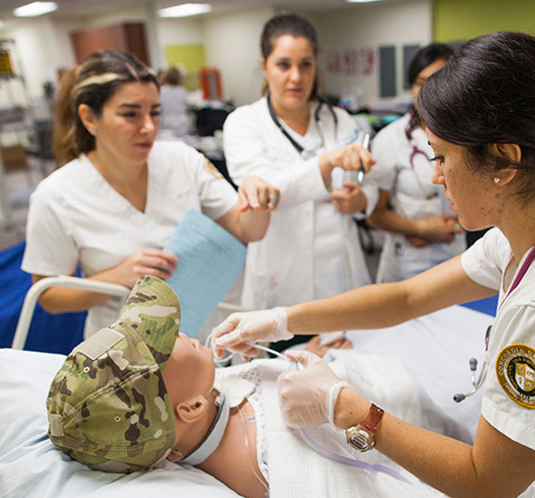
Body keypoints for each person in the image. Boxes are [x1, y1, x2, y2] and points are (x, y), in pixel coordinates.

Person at [213, 32, 535, 498]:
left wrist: (341, 406)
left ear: (504, 161)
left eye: (440, 156)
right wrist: (280, 318)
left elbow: (484, 483)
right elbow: (408, 296)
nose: (435, 176)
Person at [46, 275, 500, 498]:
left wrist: (307, 348)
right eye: (167, 346)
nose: (182, 332)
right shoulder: (293, 476)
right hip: (444, 396)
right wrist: (524, 491)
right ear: (187, 410)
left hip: (373, 350)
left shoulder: (208, 399)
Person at [22, 50, 279, 339]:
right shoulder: (56, 195)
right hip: (121, 353)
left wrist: (258, 198)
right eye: (130, 114)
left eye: (155, 113)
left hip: (198, 345)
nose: (148, 127)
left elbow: (248, 230)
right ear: (90, 118)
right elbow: (49, 296)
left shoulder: (183, 160)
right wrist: (118, 276)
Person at [222, 13, 377, 315]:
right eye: (284, 65)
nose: (296, 76)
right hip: (282, 275)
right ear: (264, 66)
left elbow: (368, 181)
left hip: (340, 273)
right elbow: (268, 193)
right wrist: (326, 162)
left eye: (305, 64)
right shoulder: (244, 123)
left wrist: (361, 199)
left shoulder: (339, 119)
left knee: (344, 351)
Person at [366, 44, 465, 283]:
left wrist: (456, 226)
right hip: (407, 263)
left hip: (456, 257)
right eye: (420, 83)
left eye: (438, 81)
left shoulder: (468, 137)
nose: (427, 91)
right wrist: (421, 229)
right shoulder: (391, 139)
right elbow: (374, 215)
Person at [158, 65, 193, 138]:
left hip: (166, 125)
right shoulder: (182, 91)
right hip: (182, 125)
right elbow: (188, 106)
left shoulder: (161, 91)